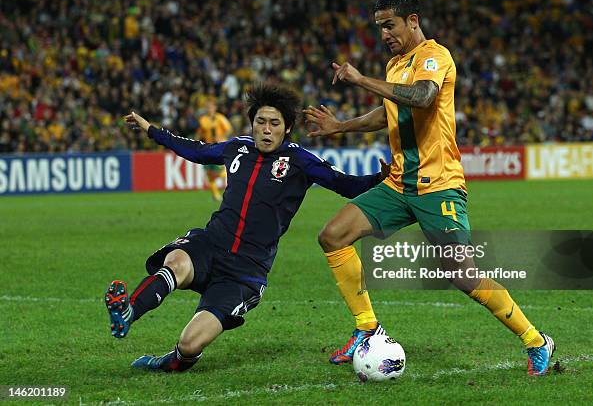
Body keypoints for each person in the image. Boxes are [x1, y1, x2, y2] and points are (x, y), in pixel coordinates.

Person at [304, 0, 555, 375]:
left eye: (390, 25)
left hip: (438, 185)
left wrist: (360, 80)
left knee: (464, 277)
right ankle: (366, 328)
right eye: (379, 27)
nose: (384, 34)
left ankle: (536, 340)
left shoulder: (435, 56)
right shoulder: (395, 64)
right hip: (398, 185)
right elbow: (389, 111)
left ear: (413, 21)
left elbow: (422, 97)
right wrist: (341, 127)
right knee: (332, 235)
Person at [105, 83, 389, 372]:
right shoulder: (237, 148)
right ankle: (128, 311)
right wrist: (151, 129)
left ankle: (172, 361)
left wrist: (380, 179)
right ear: (252, 124)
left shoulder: (300, 161)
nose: (266, 129)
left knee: (190, 345)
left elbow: (346, 185)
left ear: (287, 128)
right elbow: (195, 150)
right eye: (261, 122)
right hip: (211, 244)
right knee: (176, 262)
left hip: (245, 271)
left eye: (274, 123)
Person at [196, 98, 233, 201]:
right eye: (207, 107)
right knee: (209, 173)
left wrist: (221, 137)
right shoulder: (203, 120)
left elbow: (229, 129)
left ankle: (226, 174)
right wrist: (196, 143)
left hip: (220, 146)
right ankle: (215, 195)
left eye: (210, 107)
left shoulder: (220, 118)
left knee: (217, 172)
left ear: (215, 108)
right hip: (208, 147)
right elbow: (199, 133)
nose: (209, 109)